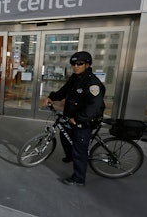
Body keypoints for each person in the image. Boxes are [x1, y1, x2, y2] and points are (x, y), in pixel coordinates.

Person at [43, 51, 105, 186]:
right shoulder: (75, 78)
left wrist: (79, 119)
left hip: (84, 121)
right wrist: (51, 98)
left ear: (87, 64)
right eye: (73, 64)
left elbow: (94, 106)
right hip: (70, 117)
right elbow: (64, 91)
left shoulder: (93, 84)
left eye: (79, 64)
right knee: (65, 136)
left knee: (80, 150)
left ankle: (78, 178)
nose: (76, 66)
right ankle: (70, 156)